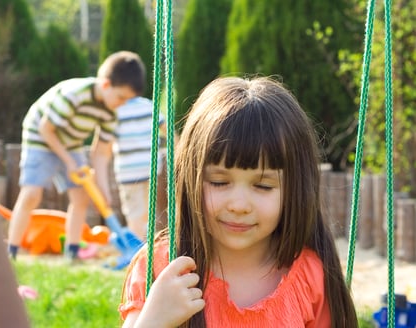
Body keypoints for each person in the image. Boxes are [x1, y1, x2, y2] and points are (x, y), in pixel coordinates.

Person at [119, 76, 358, 327]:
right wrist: (154, 319)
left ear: (295, 189)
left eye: (263, 186)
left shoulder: (311, 277)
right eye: (219, 182)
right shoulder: (161, 268)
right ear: (191, 177)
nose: (239, 205)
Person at [7, 51, 146, 261]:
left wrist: (103, 190)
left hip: (71, 142)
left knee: (81, 197)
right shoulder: (75, 94)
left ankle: (71, 254)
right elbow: (46, 128)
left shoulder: (111, 112)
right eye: (121, 97)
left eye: (128, 100)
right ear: (106, 85)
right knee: (31, 193)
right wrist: (70, 162)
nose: (122, 104)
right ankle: (12, 251)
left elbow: (100, 153)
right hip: (40, 136)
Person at [112, 96, 166, 240]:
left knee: (134, 212)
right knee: (148, 211)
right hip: (150, 167)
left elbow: (106, 141)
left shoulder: (115, 109)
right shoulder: (148, 105)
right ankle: (148, 245)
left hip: (128, 170)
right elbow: (168, 130)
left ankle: (137, 250)